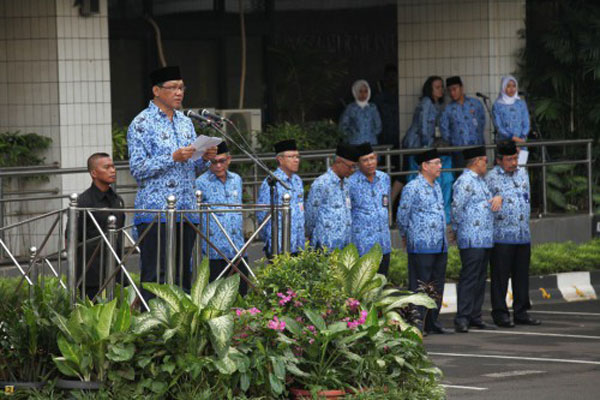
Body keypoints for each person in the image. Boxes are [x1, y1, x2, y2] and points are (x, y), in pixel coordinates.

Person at [127, 65, 217, 301]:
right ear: (156, 90)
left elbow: (190, 169)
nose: (179, 93)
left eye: (182, 87)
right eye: (173, 88)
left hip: (186, 209)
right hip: (156, 212)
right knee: (156, 276)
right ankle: (152, 330)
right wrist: (172, 157)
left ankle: (180, 331)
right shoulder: (141, 123)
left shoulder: (185, 122)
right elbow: (137, 169)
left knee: (182, 275)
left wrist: (205, 159)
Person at [485, 141, 541, 327]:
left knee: (521, 275)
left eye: (515, 158)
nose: (514, 163)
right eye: (509, 159)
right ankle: (500, 313)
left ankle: (521, 311)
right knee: (500, 276)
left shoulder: (522, 174)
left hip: (522, 233)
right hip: (502, 235)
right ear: (499, 160)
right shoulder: (492, 177)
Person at [397, 148, 450, 334]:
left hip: (439, 244)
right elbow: (402, 214)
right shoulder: (413, 187)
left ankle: (432, 322)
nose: (440, 167)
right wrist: (405, 235)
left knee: (436, 285)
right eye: (436, 163)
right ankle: (416, 323)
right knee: (419, 286)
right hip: (421, 244)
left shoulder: (436, 186)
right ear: (425, 166)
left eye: (440, 163)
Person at [451, 146, 502, 333]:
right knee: (470, 277)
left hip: (485, 237)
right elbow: (456, 208)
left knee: (480, 278)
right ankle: (462, 317)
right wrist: (456, 229)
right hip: (471, 237)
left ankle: (475, 315)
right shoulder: (465, 181)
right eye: (485, 160)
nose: (486, 164)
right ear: (476, 161)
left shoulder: (481, 181)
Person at [195, 141, 249, 295]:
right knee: (216, 297)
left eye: (222, 161)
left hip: (238, 248)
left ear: (229, 159)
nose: (218, 166)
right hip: (214, 251)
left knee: (241, 295)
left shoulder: (236, 180)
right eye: (214, 162)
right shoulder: (200, 183)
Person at [73, 153, 125, 300]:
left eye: (113, 166)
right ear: (94, 173)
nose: (113, 170)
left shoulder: (117, 200)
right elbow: (71, 237)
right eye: (107, 167)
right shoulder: (83, 202)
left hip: (116, 270)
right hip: (91, 274)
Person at [402, 76, 453, 222]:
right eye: (437, 87)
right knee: (413, 176)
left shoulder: (437, 104)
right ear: (429, 89)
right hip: (418, 145)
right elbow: (424, 127)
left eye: (441, 87)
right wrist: (427, 148)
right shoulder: (426, 103)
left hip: (427, 145)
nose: (441, 90)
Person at [348, 143, 392, 275]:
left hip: (383, 242)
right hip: (363, 244)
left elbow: (386, 203)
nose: (370, 163)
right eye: (365, 160)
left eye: (372, 158)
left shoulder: (384, 178)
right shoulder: (351, 183)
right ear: (358, 163)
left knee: (382, 282)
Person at [257, 139, 305, 258]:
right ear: (280, 159)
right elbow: (262, 215)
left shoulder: (297, 181)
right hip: (279, 245)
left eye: (297, 156)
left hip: (298, 244)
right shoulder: (271, 182)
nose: (296, 160)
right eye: (291, 157)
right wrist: (269, 239)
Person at [306, 144, 359, 251]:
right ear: (338, 162)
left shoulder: (346, 184)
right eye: (350, 166)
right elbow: (311, 214)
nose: (352, 170)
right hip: (325, 246)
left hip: (344, 245)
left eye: (355, 167)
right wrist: (310, 235)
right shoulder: (321, 183)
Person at [440, 76, 486, 169]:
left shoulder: (475, 103)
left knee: (479, 176)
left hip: (477, 148)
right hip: (459, 151)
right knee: (461, 176)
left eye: (454, 89)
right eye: (449, 91)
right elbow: (444, 130)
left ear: (461, 87)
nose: (452, 93)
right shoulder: (447, 109)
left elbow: (482, 121)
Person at [339, 80, 382, 145]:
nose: (363, 94)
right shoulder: (351, 108)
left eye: (365, 91)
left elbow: (378, 126)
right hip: (355, 144)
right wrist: (352, 137)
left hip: (371, 143)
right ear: (356, 92)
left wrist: (370, 135)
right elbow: (343, 127)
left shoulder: (372, 108)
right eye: (360, 91)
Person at [492, 75, 530, 144]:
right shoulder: (497, 105)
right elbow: (498, 126)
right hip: (505, 143)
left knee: (522, 154)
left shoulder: (521, 103)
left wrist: (522, 137)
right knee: (509, 154)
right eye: (508, 86)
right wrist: (512, 137)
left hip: (521, 142)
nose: (512, 89)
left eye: (514, 86)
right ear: (503, 87)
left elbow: (526, 122)